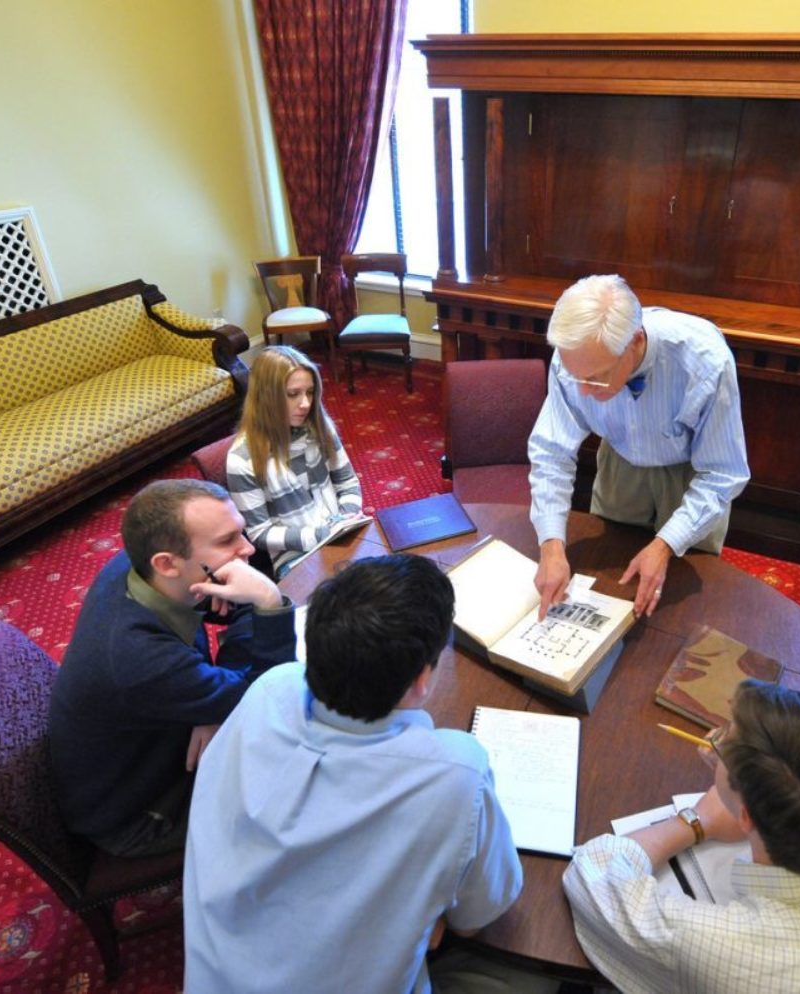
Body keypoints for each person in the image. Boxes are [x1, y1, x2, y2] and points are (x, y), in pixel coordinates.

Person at [184, 555, 553, 994]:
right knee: (532, 969)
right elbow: (477, 920)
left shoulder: (271, 687)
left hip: (215, 974)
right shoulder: (457, 772)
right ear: (421, 678)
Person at [563, 681, 800, 993]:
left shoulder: (725, 946)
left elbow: (594, 872)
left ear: (746, 819)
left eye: (722, 739)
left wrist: (695, 820)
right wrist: (741, 783)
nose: (712, 738)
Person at [48, 478, 295, 857]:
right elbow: (273, 696)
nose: (247, 548)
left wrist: (214, 704)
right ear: (166, 564)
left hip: (158, 741)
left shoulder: (144, 570)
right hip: (144, 813)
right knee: (307, 768)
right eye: (228, 541)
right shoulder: (139, 660)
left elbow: (238, 615)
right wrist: (269, 601)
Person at [528, 274, 749, 619]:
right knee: (610, 581)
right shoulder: (574, 358)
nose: (583, 391)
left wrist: (665, 545)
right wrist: (551, 545)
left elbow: (722, 472)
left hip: (690, 473)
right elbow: (551, 453)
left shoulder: (705, 360)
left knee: (680, 594)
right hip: (619, 459)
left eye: (596, 377)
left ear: (634, 341)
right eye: (576, 378)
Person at [226, 344, 364, 576]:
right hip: (296, 556)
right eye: (293, 394)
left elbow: (347, 482)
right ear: (266, 397)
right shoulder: (241, 460)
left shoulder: (321, 429)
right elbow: (260, 533)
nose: (305, 404)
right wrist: (321, 534)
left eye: (310, 392)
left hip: (342, 530)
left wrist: (347, 517)